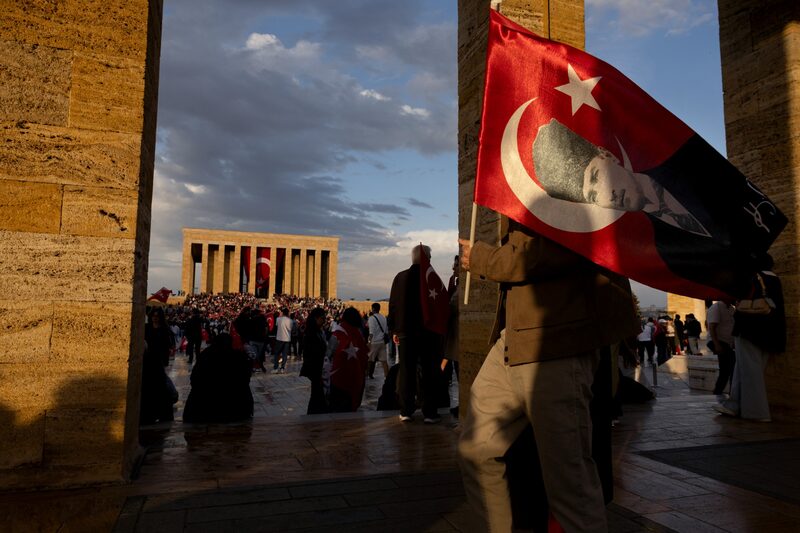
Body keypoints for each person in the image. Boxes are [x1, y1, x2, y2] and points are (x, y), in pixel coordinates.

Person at [457, 218, 638, 533]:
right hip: (514, 338)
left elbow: (553, 249)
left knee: (569, 482)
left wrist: (483, 258)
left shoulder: (574, 193)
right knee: (477, 448)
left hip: (558, 340)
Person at [532, 118, 764, 298]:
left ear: (607, 155)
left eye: (595, 176)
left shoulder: (690, 164)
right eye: (593, 196)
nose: (607, 195)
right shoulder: (665, 253)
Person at [715, 255, 785, 422]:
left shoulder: (753, 277)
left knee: (751, 372)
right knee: (742, 369)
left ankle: (758, 413)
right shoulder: (775, 279)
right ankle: (733, 406)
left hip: (749, 330)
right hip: (770, 331)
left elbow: (735, 295)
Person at [389, 245, 445, 424]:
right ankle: (429, 412)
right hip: (428, 333)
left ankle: (406, 411)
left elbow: (393, 306)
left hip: (406, 333)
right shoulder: (431, 277)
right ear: (426, 257)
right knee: (429, 371)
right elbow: (440, 303)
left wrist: (394, 330)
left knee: (406, 371)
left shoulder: (400, 277)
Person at [183, 333, 253, 423]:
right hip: (235, 407)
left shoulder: (206, 355)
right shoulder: (237, 356)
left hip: (203, 408)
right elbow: (246, 378)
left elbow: (194, 379)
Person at [323, 307, 369, 412]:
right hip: (355, 377)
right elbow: (364, 355)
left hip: (338, 378)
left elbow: (328, 355)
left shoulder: (338, 333)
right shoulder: (358, 334)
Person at [300, 307, 328, 414]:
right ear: (316, 318)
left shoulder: (319, 331)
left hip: (318, 366)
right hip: (314, 367)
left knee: (317, 394)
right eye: (322, 318)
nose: (324, 320)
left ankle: (314, 414)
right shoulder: (311, 332)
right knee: (317, 393)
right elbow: (311, 351)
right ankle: (313, 415)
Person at [707, 300, 736, 398]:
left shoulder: (731, 309)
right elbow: (712, 327)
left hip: (727, 343)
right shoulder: (716, 308)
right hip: (718, 341)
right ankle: (732, 395)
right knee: (732, 367)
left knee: (725, 370)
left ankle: (718, 392)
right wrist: (717, 345)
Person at [366, 303, 390, 380]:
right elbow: (386, 330)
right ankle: (388, 377)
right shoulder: (383, 317)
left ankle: (368, 375)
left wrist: (369, 342)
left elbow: (371, 332)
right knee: (384, 361)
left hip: (374, 342)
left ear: (373, 309)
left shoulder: (371, 318)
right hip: (382, 342)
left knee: (370, 360)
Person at [273, 307, 292, 373]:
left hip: (279, 338)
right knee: (284, 354)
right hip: (287, 339)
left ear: (283, 313)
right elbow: (290, 329)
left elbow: (276, 326)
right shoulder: (290, 320)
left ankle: (276, 368)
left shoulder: (278, 319)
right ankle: (282, 368)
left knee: (277, 353)